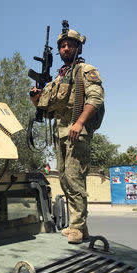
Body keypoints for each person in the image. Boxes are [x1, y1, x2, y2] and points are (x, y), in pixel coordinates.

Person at [30, 25, 105, 244]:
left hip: (76, 133)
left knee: (74, 179)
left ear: (78, 48)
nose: (65, 48)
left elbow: (95, 99)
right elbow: (46, 106)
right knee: (63, 178)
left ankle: (77, 227)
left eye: (70, 45)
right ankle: (80, 227)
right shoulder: (59, 78)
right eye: (62, 46)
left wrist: (79, 123)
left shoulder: (86, 70)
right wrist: (36, 97)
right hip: (60, 134)